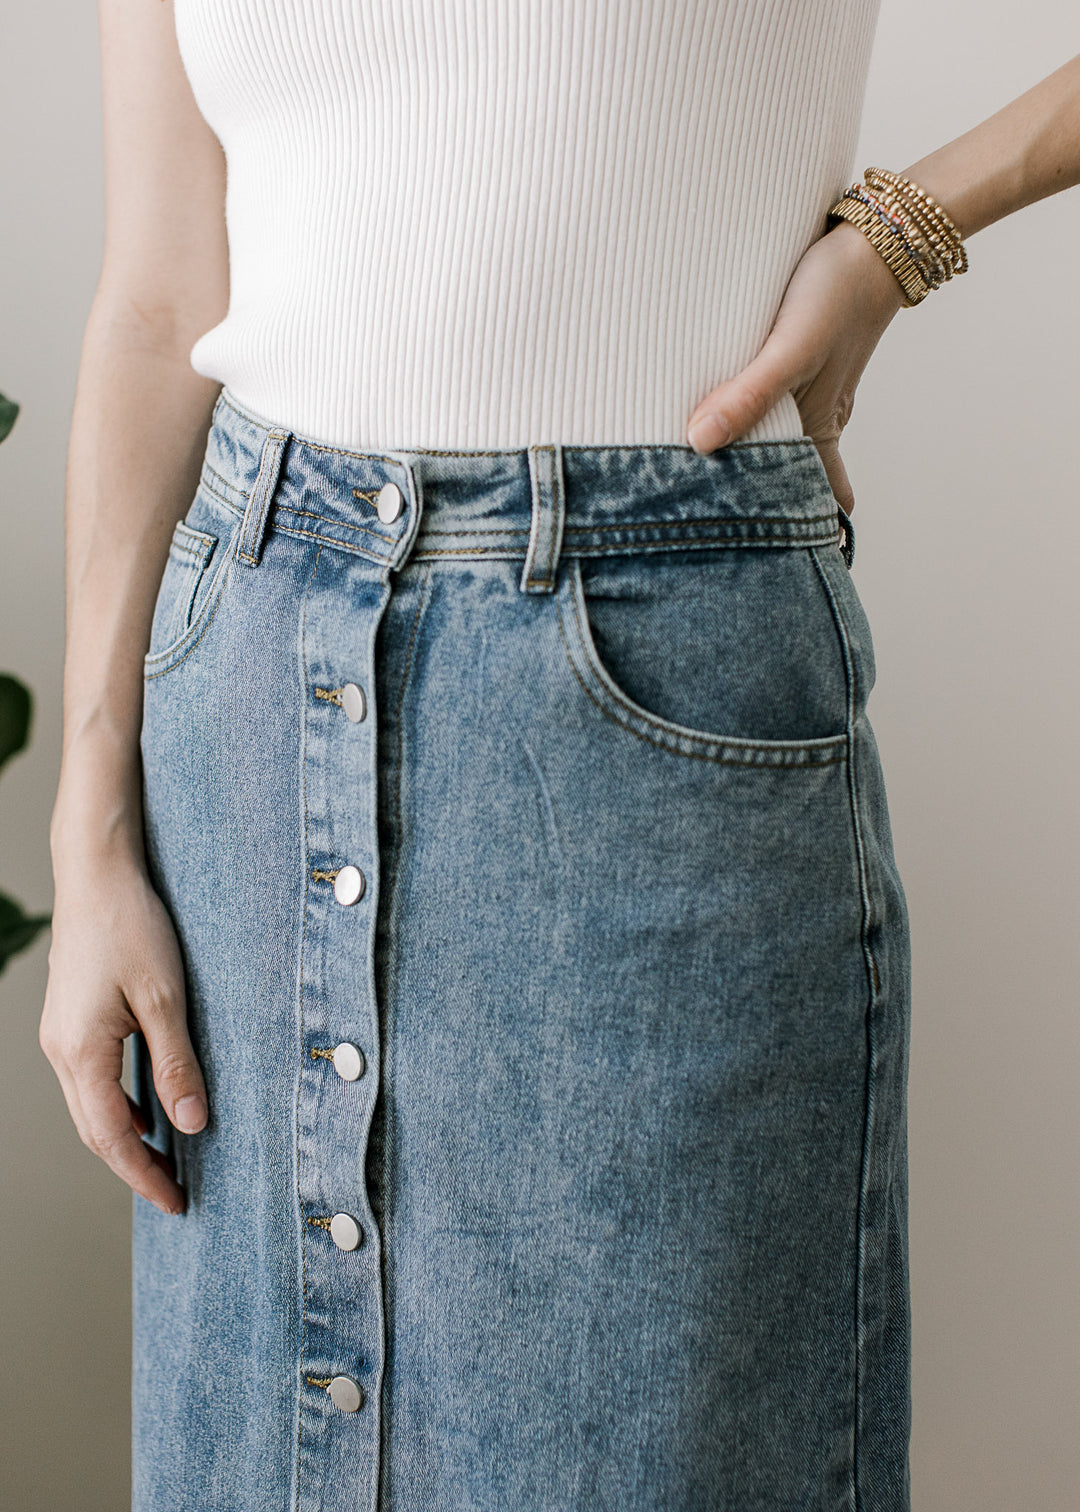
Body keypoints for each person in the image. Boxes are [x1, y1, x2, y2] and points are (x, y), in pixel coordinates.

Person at [37, 2, 1080, 1508]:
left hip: (657, 671)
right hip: (252, 682)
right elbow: (155, 300)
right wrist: (91, 836)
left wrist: (906, 232)